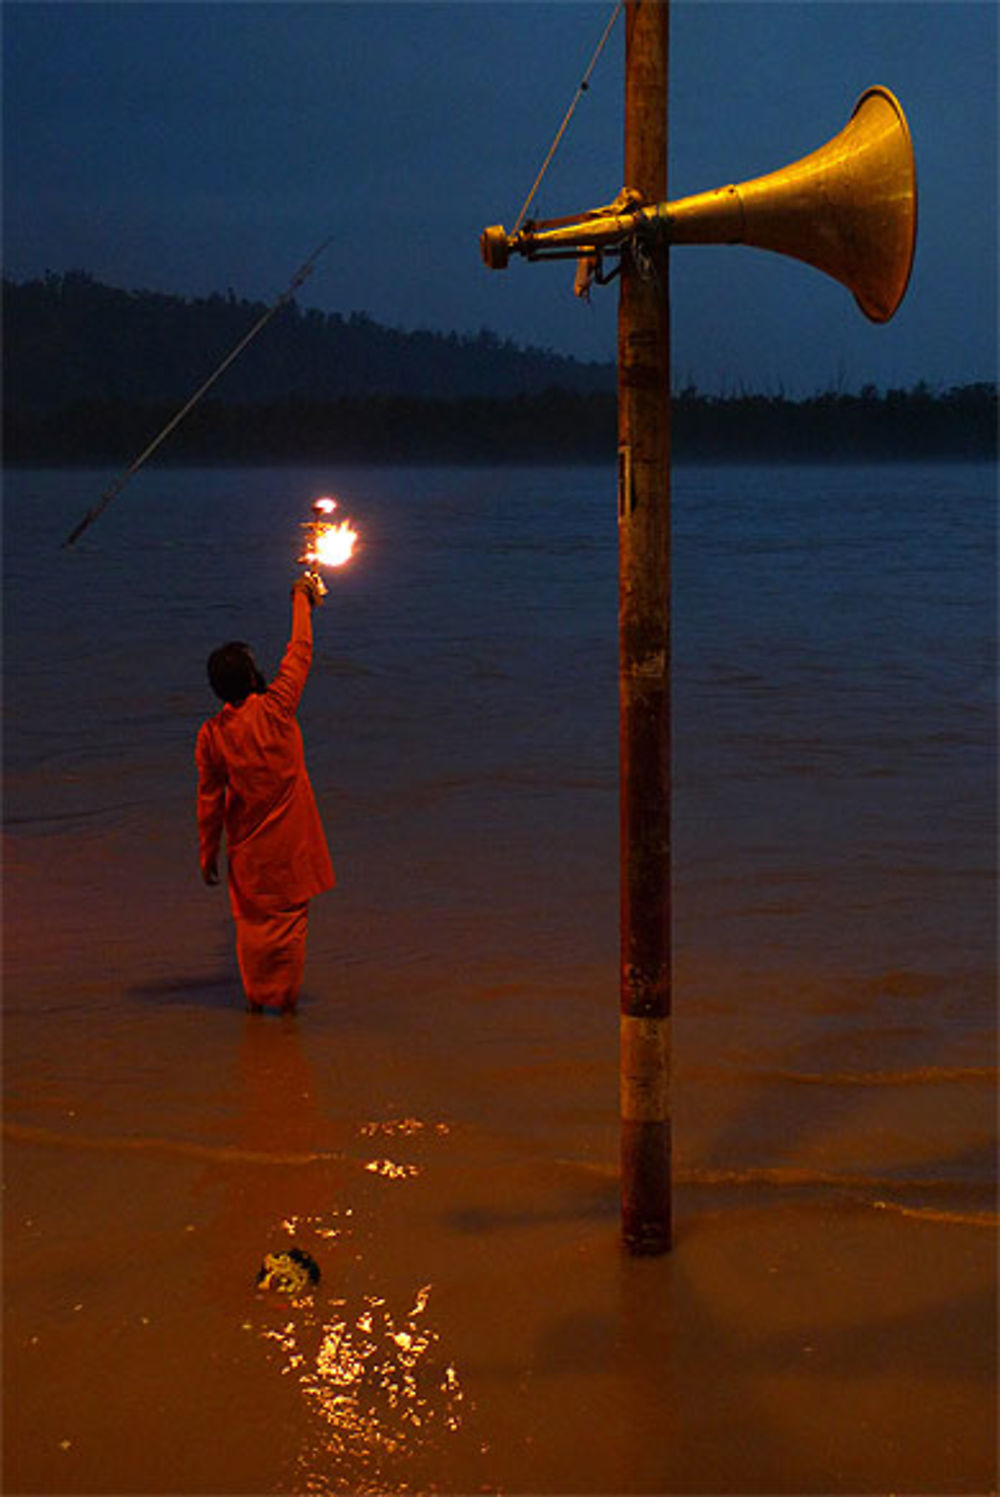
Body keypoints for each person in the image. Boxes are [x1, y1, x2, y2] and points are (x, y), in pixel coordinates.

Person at [196, 574, 334, 1014]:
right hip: (293, 848)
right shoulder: (276, 710)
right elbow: (300, 653)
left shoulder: (212, 736)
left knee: (252, 927)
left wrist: (207, 855)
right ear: (253, 675)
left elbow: (209, 801)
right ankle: (286, 1007)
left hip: (248, 851)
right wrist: (301, 599)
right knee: (290, 927)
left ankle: (257, 1003)